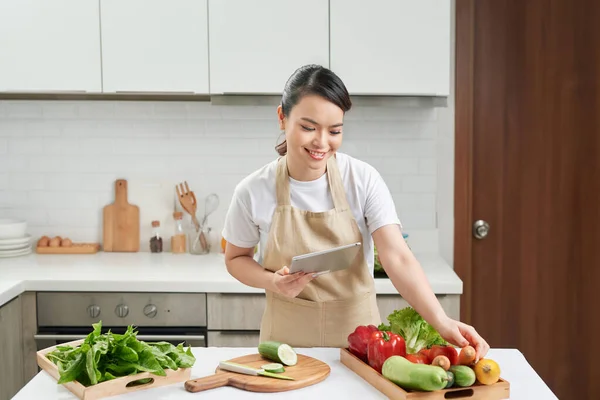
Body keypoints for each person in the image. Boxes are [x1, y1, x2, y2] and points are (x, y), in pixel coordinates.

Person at [221, 64, 489, 360]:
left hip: (361, 349)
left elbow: (397, 256)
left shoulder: (362, 179)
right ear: (282, 117)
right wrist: (273, 282)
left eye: (334, 131)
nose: (321, 142)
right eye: (308, 127)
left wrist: (442, 321)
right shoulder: (253, 190)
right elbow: (235, 258)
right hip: (285, 349)